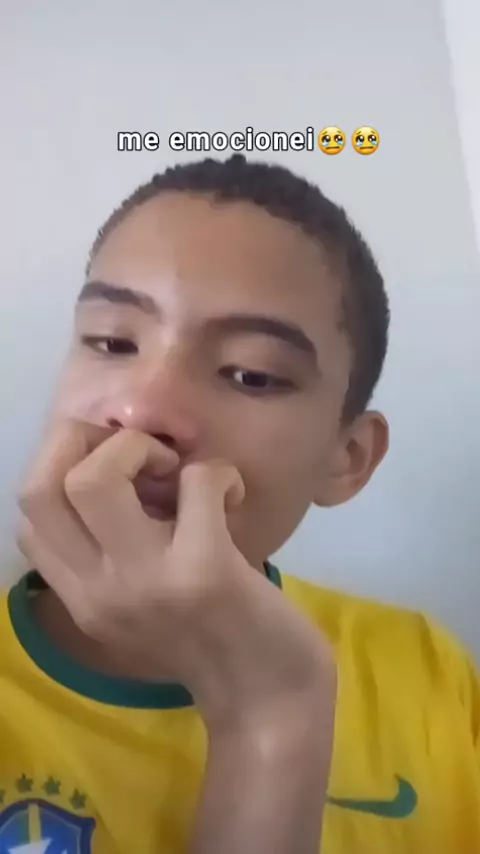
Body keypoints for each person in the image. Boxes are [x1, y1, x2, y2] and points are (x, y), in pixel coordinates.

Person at [0, 154, 478, 854]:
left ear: (347, 458)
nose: (143, 409)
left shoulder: (424, 669)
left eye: (251, 375)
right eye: (112, 341)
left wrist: (273, 708)